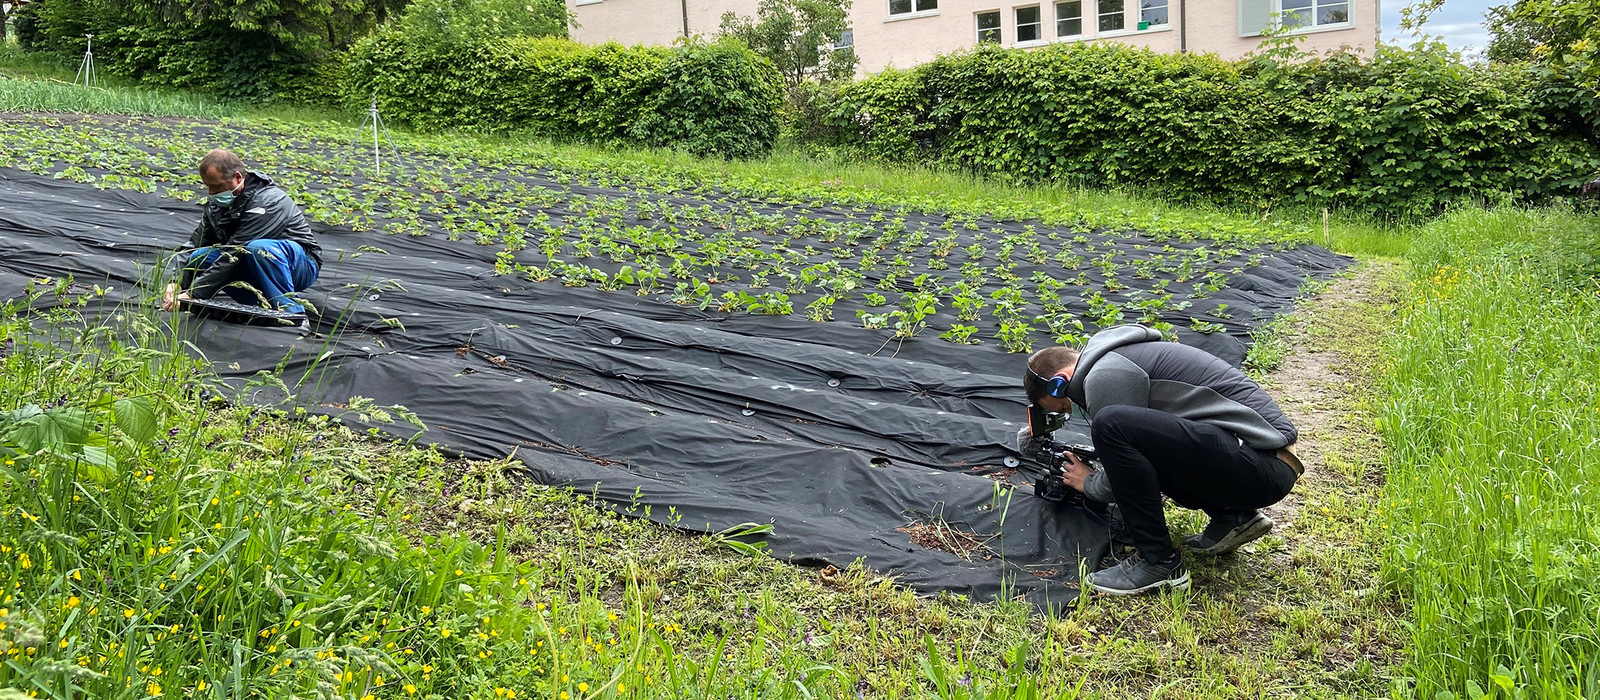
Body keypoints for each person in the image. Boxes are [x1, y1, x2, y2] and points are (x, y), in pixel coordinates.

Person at [1020, 324, 1305, 596]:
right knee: (1138, 438)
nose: (1071, 406)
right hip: (1265, 462)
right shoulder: (1119, 358)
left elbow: (1119, 462)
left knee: (1109, 424)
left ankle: (1158, 561)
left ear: (1061, 382)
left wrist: (1089, 482)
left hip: (1262, 467)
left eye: (1065, 403)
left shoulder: (1105, 374)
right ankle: (1232, 516)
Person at [161, 149, 321, 317]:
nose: (211, 193)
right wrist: (176, 282)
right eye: (208, 187)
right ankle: (260, 306)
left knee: (258, 248)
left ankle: (291, 312)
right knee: (199, 257)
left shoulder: (269, 200)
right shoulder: (216, 205)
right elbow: (195, 244)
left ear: (237, 177)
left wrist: (194, 293)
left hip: (299, 265)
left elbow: (237, 251)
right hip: (249, 259)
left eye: (217, 187)